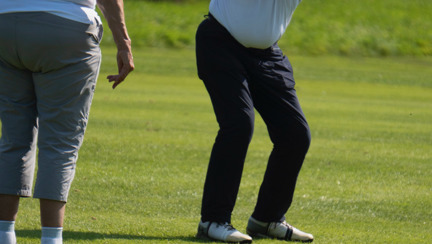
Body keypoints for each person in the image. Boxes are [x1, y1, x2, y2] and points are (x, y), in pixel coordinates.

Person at [0, 0, 134, 243]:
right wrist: (123, 42)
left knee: (14, 139)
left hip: (6, 22)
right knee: (60, 145)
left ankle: (3, 234)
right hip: (66, 27)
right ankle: (51, 239)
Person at [195, 0, 314, 243]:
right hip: (220, 42)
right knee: (238, 125)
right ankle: (213, 220)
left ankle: (267, 219)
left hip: (267, 54)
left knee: (295, 135)